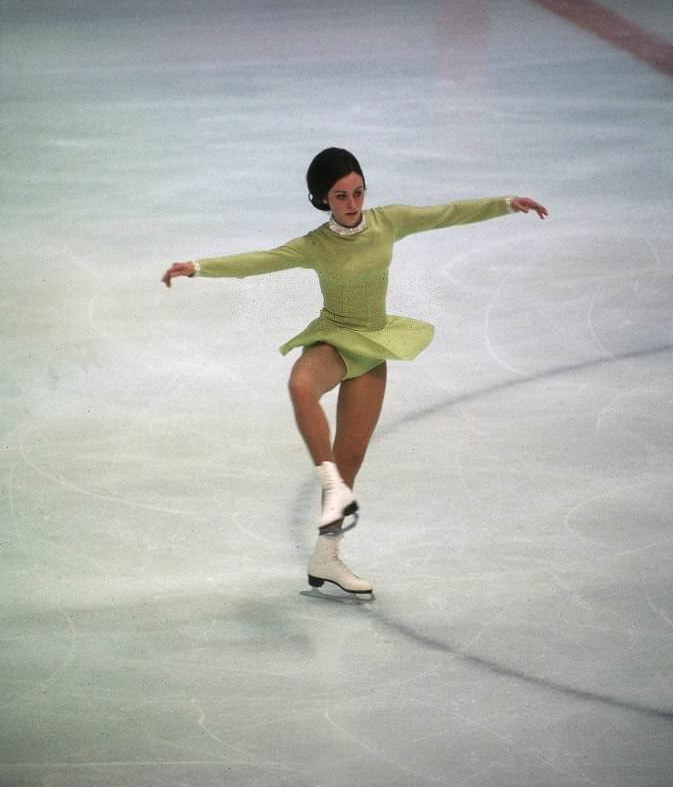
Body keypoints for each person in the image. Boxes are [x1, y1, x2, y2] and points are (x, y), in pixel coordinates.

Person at [162, 147, 548, 596]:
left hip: (374, 342)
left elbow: (445, 213)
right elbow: (261, 260)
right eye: (341, 195)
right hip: (335, 336)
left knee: (352, 461)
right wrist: (198, 268)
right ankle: (328, 481)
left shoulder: (389, 222)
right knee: (301, 386)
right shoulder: (314, 245)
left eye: (358, 192)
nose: (353, 203)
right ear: (323, 199)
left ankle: (326, 558)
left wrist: (505, 204)